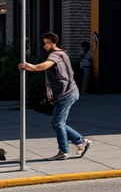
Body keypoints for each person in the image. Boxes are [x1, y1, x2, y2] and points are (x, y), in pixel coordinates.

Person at [19, 32, 92, 160]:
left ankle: (65, 151)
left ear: (52, 42)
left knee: (57, 123)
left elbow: (44, 66)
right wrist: (52, 94)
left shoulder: (56, 55)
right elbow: (70, 74)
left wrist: (31, 67)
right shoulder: (62, 54)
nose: (44, 46)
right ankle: (80, 142)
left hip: (67, 93)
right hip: (66, 93)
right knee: (58, 123)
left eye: (46, 43)